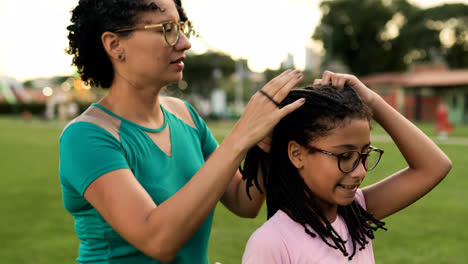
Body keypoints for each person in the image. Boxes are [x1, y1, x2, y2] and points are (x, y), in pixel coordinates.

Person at [60, 0, 305, 263]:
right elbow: (157, 240)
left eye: (180, 27)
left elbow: (243, 200)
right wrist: (241, 136)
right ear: (115, 44)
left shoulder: (184, 115)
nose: (185, 42)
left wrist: (263, 143)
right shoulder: (86, 136)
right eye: (166, 28)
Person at [241, 71, 452, 263]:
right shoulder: (272, 243)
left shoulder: (356, 213)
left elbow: (434, 166)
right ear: (297, 154)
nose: (360, 172)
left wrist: (372, 101)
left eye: (364, 154)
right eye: (344, 156)